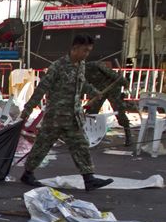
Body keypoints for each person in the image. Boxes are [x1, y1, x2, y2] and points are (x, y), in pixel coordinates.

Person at [20, 34, 113, 191]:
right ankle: (28, 174)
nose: (86, 54)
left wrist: (93, 91)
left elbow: (81, 84)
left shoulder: (81, 65)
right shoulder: (58, 66)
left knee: (81, 145)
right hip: (55, 116)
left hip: (73, 117)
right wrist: (28, 109)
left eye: (89, 51)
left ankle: (89, 178)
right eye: (84, 50)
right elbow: (41, 88)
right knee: (43, 145)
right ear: (74, 48)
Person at [85, 59, 131, 146]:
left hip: (112, 88)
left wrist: (124, 82)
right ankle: (88, 135)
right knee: (90, 112)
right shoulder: (77, 73)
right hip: (98, 90)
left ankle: (128, 134)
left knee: (119, 111)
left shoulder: (95, 65)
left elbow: (112, 73)